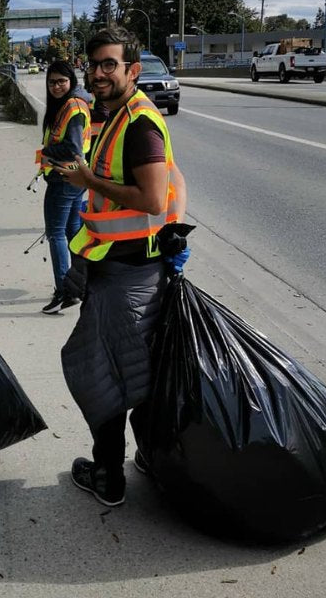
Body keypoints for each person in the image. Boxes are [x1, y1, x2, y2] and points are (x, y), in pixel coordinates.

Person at [54, 27, 188, 507]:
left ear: (133, 69)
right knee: (138, 375)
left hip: (126, 276)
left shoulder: (139, 124)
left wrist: (89, 178)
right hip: (128, 269)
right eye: (94, 64)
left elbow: (153, 195)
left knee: (103, 375)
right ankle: (153, 457)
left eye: (109, 64)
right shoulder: (113, 117)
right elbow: (176, 178)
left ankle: (109, 477)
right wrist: (173, 231)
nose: (98, 73)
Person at [35, 60, 91, 314]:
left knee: (56, 233)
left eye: (61, 81)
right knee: (72, 234)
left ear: (71, 81)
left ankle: (64, 291)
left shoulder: (74, 106)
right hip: (73, 177)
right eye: (52, 82)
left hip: (64, 177)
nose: (56, 86)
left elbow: (74, 148)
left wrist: (46, 152)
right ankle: (81, 285)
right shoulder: (70, 105)